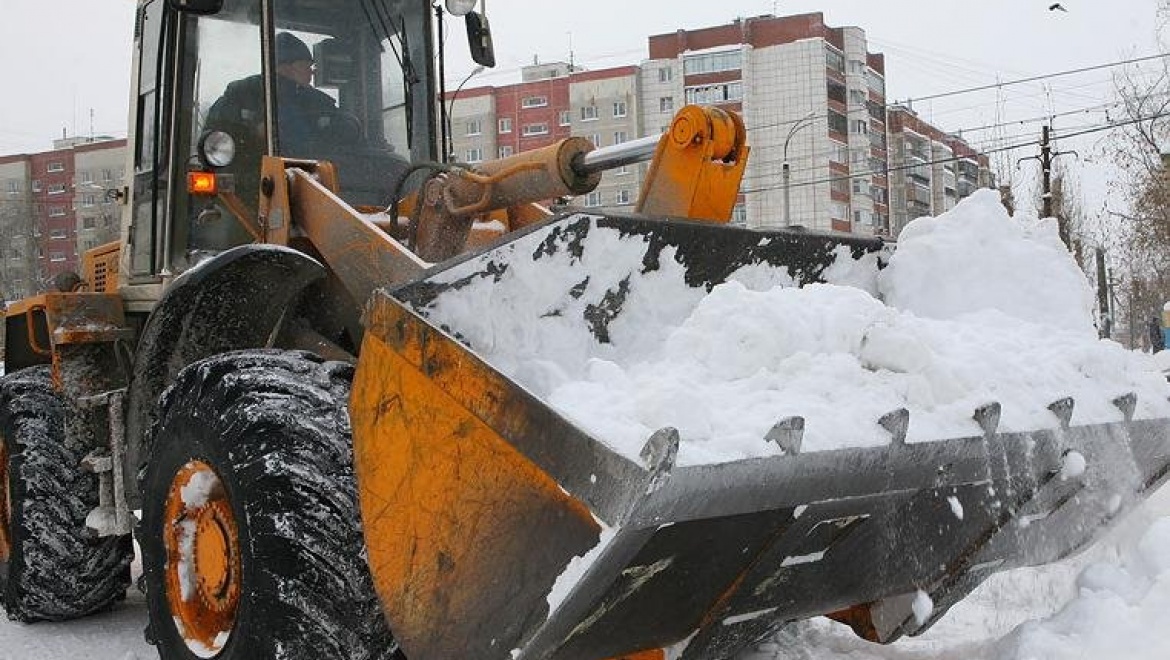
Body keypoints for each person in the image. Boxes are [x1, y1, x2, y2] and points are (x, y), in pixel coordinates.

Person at [206, 32, 344, 155]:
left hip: (311, 179)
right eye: (306, 65)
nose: (311, 71)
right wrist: (253, 134)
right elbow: (214, 144)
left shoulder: (321, 103)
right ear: (286, 67)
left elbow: (344, 140)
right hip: (255, 179)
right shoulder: (242, 94)